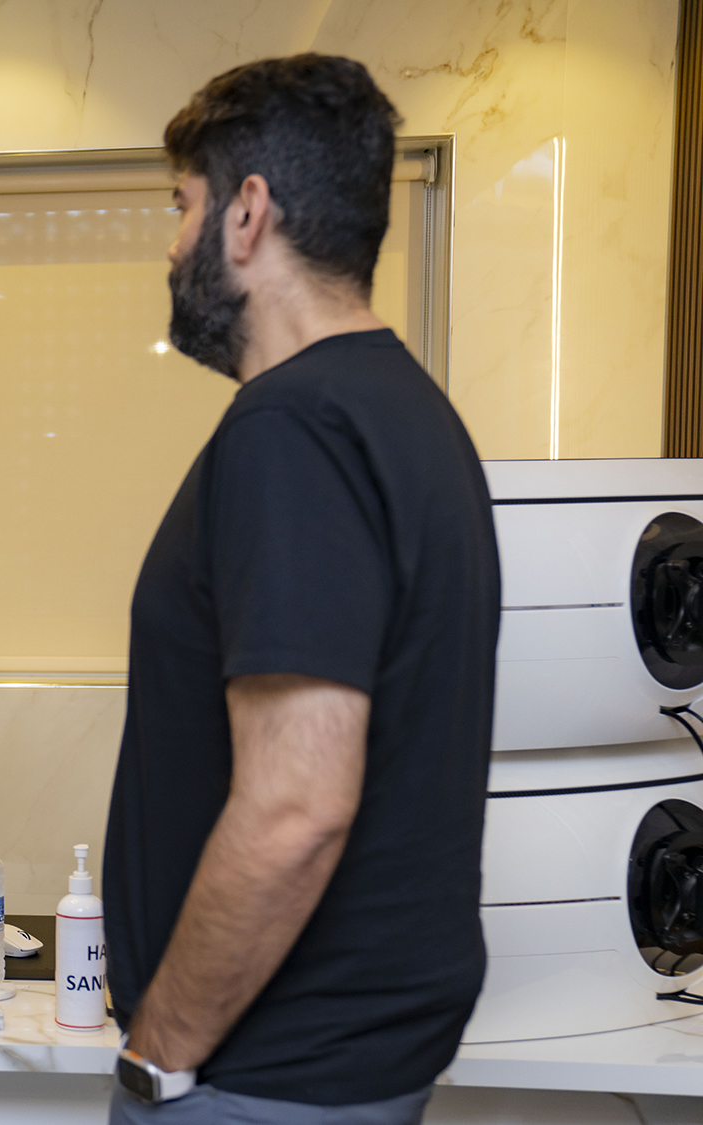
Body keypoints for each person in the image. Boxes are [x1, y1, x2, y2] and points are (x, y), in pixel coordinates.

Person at [102, 55, 498, 1125]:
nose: (172, 243)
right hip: (355, 1065)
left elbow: (296, 805)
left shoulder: (292, 428)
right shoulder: (410, 414)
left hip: (254, 1078)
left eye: (181, 207)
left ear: (247, 213)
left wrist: (157, 1055)